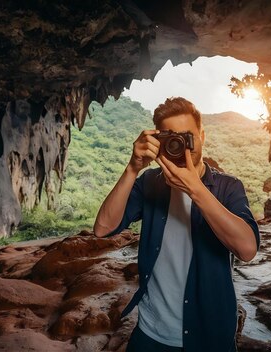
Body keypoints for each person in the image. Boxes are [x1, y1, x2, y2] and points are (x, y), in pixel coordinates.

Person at [93, 97, 260, 352]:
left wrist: (195, 190)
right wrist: (132, 168)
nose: (180, 146)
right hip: (151, 331)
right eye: (172, 138)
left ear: (202, 135)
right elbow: (103, 228)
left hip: (210, 335)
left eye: (187, 137)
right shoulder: (150, 182)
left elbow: (247, 249)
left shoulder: (228, 186)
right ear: (159, 142)